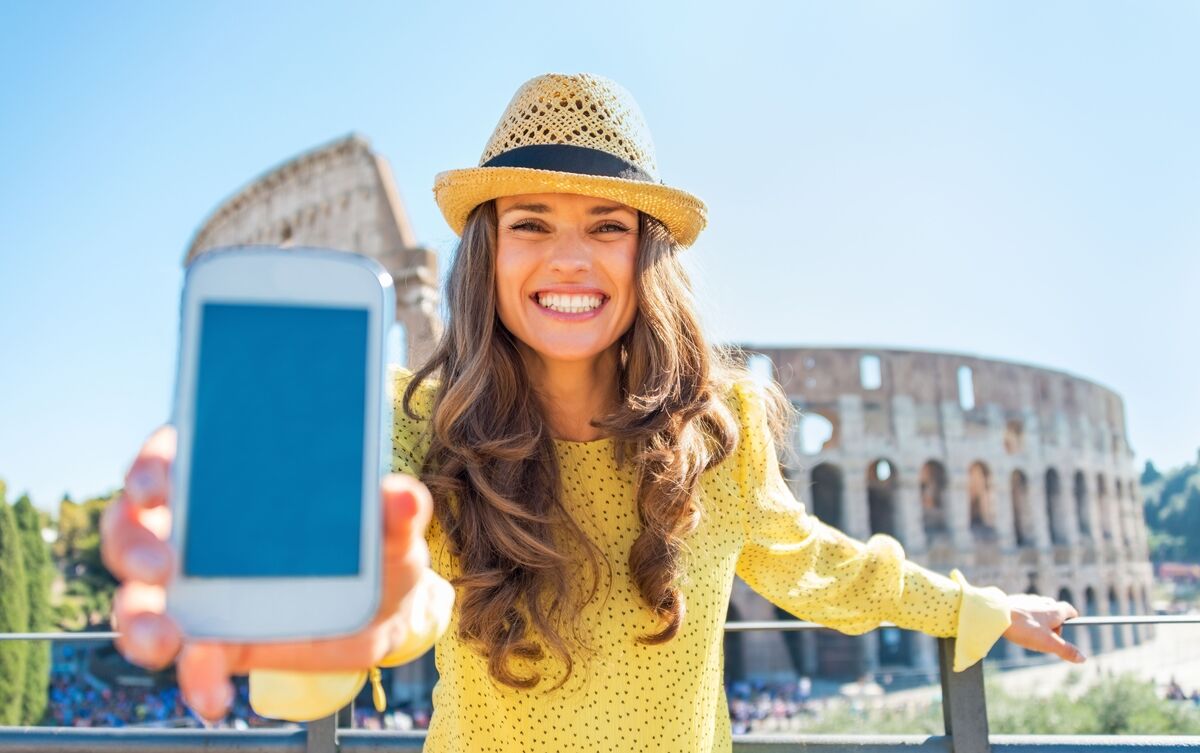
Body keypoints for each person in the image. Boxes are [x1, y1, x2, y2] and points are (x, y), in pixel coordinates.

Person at [102, 72, 1085, 752]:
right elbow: (408, 595)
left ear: (644, 256)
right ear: (488, 257)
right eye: (530, 224)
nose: (569, 260)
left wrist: (981, 609)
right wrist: (341, 608)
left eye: (606, 227)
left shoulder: (720, 428)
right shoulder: (425, 426)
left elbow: (817, 564)